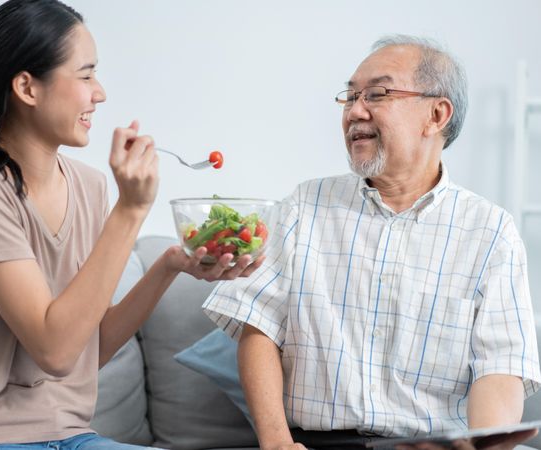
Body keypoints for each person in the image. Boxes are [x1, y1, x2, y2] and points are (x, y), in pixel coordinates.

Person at [0, 1, 263, 449]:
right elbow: (55, 350)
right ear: (28, 87)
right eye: (85, 75)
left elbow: (86, 351)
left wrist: (169, 265)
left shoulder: (89, 187)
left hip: (70, 436)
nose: (100, 93)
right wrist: (130, 212)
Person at [203, 34, 541, 450]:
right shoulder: (304, 205)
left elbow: (500, 368)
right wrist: (276, 442)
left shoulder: (490, 231)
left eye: (377, 94)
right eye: (349, 96)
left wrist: (476, 448)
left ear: (436, 115)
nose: (354, 111)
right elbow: (257, 327)